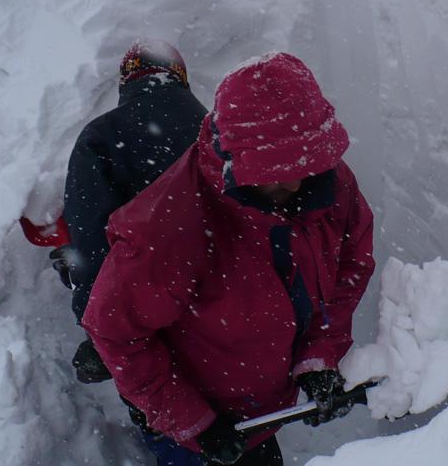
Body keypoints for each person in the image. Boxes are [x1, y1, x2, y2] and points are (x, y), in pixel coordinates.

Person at [82, 52, 376, 466]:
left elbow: (352, 263)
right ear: (237, 162)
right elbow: (113, 330)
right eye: (277, 170)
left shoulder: (324, 181)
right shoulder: (171, 227)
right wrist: (194, 422)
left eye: (305, 164)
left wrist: (318, 356)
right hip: (200, 427)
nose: (295, 181)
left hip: (263, 413)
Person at [61, 38, 207, 382]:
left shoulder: (101, 136)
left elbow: (90, 236)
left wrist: (96, 328)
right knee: (230, 422)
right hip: (219, 308)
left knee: (166, 412)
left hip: (139, 307)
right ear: (180, 77)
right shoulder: (215, 129)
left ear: (127, 81)